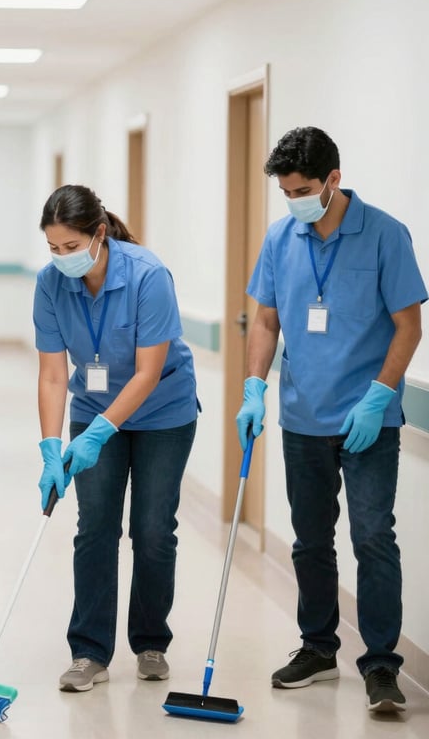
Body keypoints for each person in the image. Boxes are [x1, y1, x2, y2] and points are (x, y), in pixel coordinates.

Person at [236, 126, 426, 712]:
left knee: (373, 538)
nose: (295, 199)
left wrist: (379, 397)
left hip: (368, 420)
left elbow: (408, 325)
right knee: (310, 541)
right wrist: (252, 389)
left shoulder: (386, 235)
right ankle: (318, 648)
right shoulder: (280, 238)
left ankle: (380, 666)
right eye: (286, 190)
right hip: (302, 418)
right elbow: (265, 321)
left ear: (333, 180)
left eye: (303, 188)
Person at [33, 184, 199, 692]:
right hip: (92, 407)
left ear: (98, 235)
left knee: (152, 530)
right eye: (53, 248)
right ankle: (89, 652)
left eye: (71, 246)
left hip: (164, 413)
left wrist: (101, 432)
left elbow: (148, 372)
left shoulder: (147, 275)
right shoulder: (49, 284)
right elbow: (53, 375)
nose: (62, 258)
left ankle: (150, 641)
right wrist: (51, 446)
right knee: (95, 528)